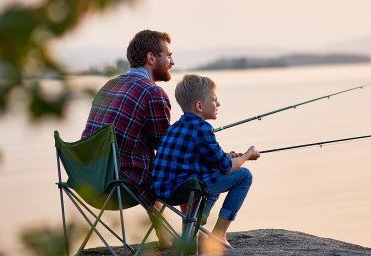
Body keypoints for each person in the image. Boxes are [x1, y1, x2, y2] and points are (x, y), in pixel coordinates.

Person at [81, 30, 175, 247]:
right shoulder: (153, 93)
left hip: (88, 180)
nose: (172, 61)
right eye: (168, 55)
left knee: (148, 164)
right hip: (120, 186)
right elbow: (164, 148)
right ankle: (192, 239)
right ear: (151, 58)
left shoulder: (108, 86)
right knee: (178, 168)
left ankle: (165, 237)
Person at [151, 74, 260, 251]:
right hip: (186, 190)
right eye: (215, 100)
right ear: (200, 106)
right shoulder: (203, 128)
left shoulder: (174, 127)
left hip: (162, 191)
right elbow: (225, 167)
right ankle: (218, 234)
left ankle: (196, 229)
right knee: (243, 176)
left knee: (211, 173)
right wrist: (247, 155)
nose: (218, 104)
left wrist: (228, 156)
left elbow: (200, 156)